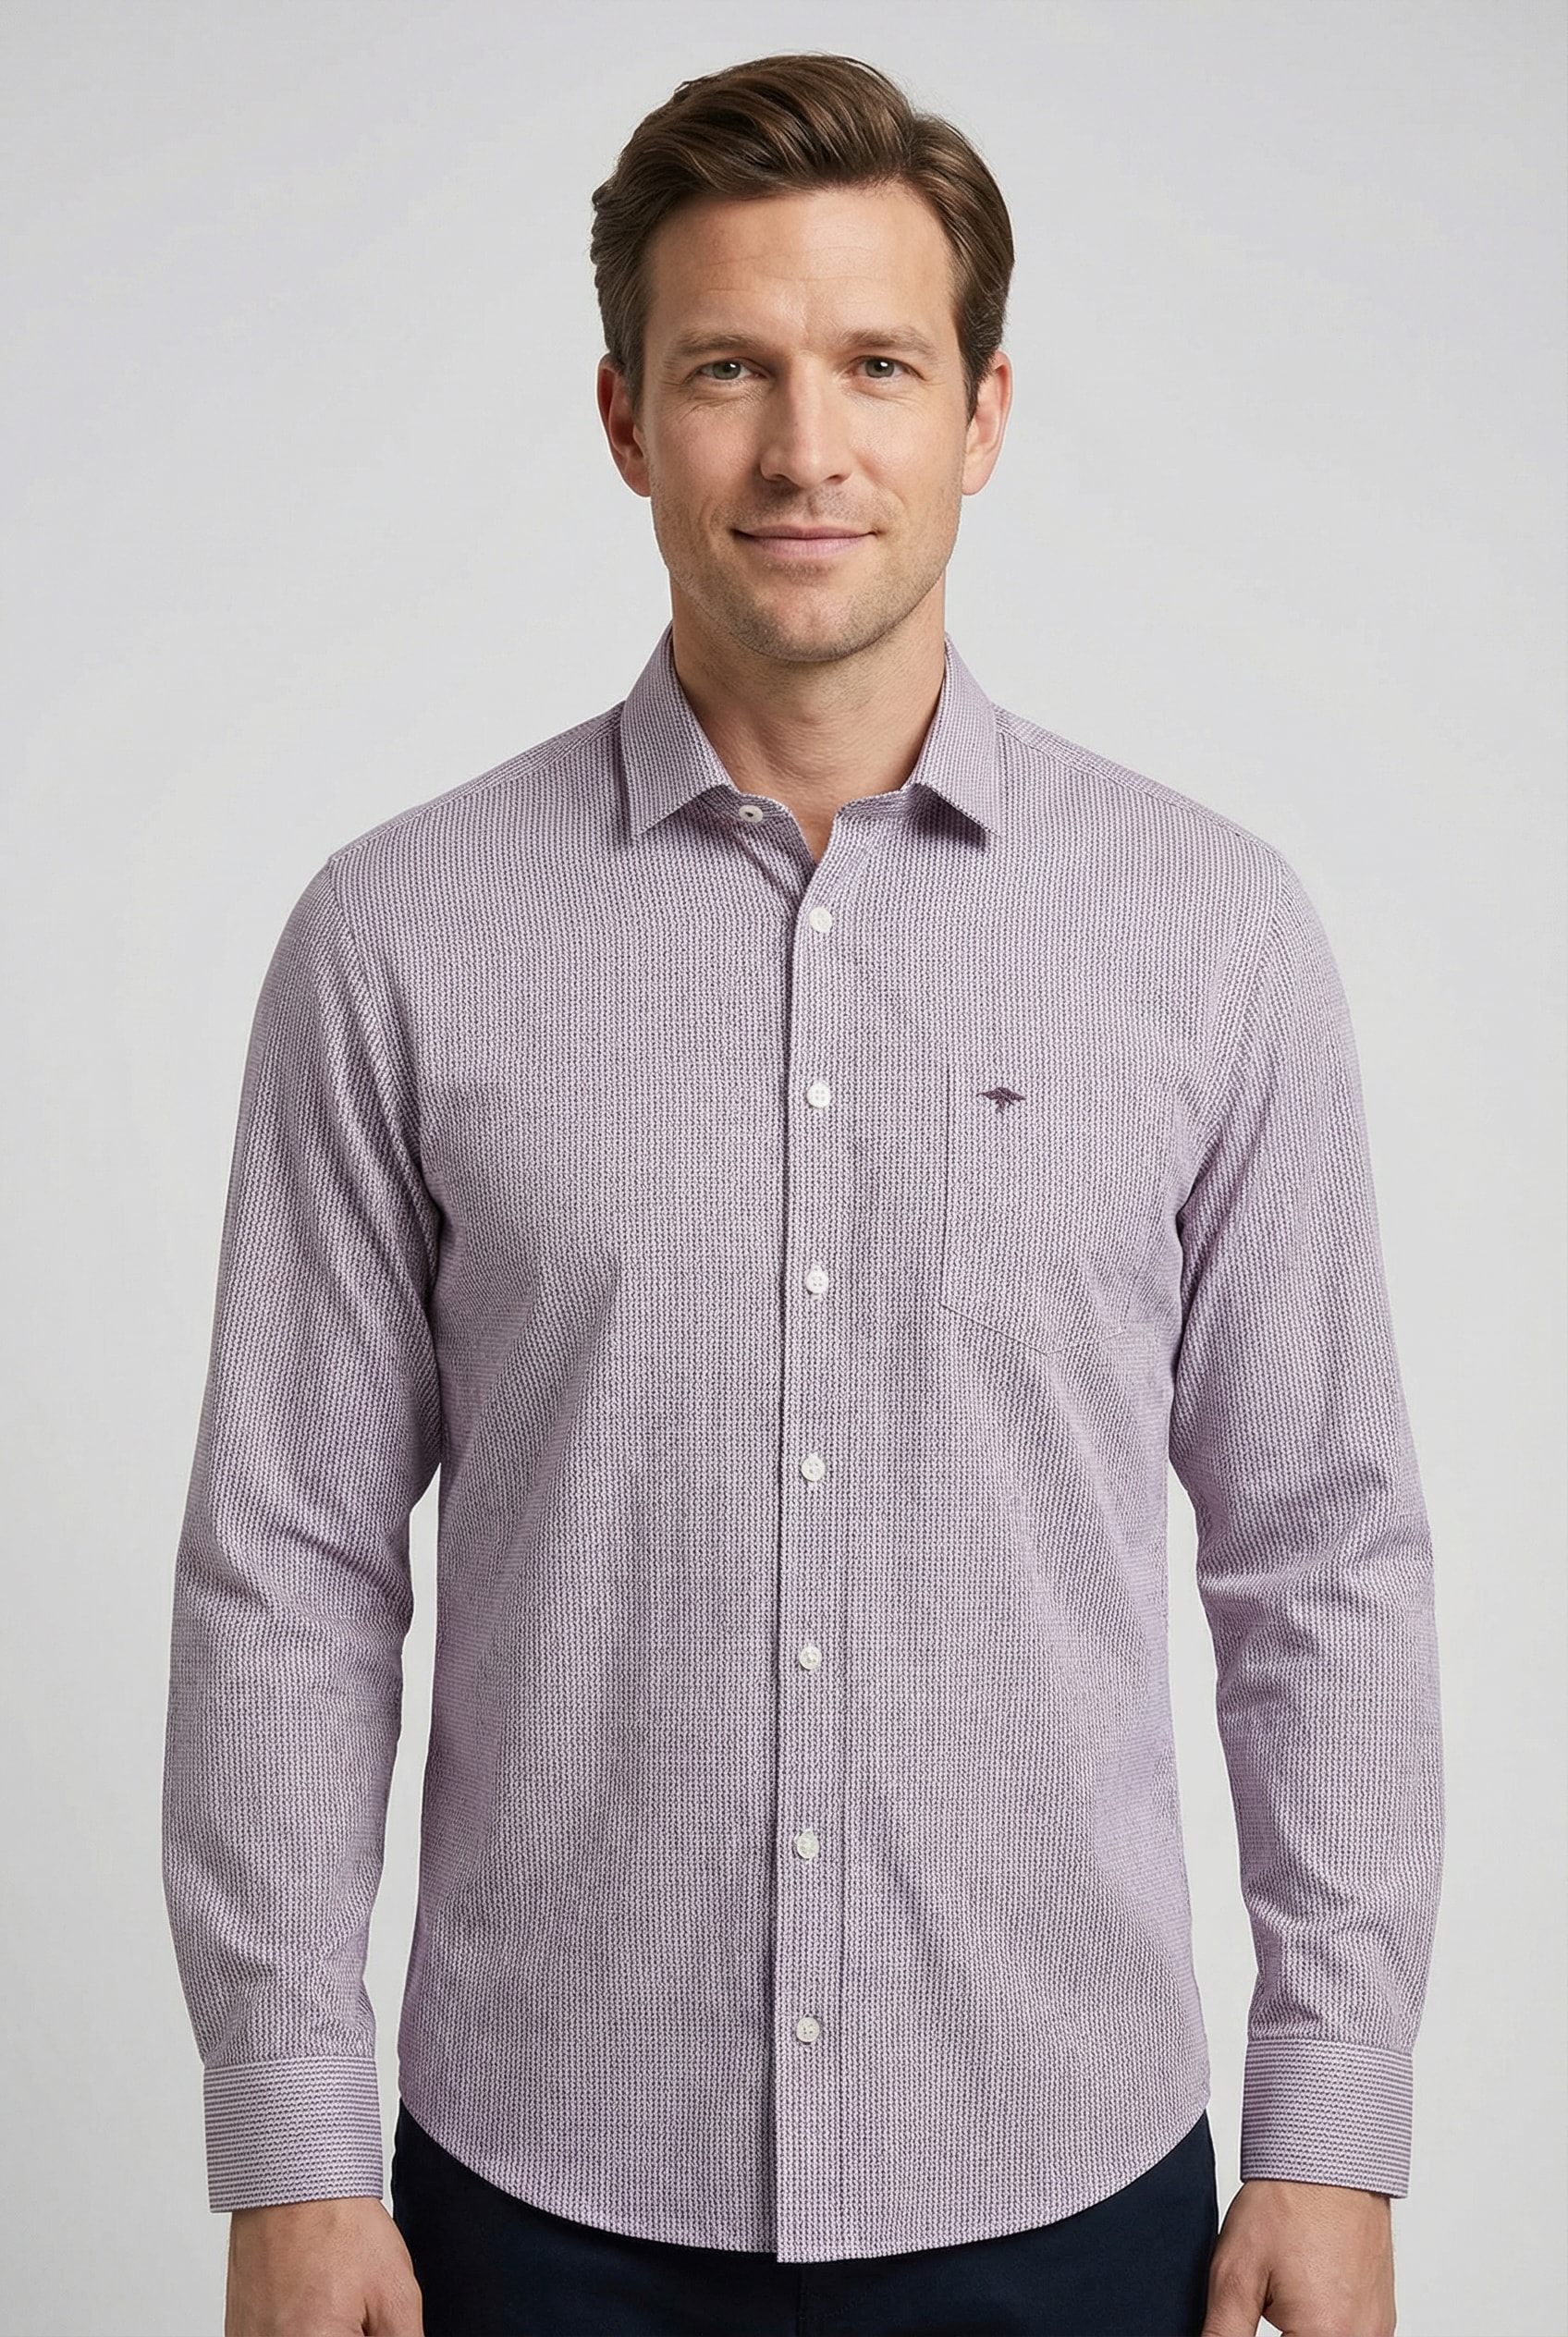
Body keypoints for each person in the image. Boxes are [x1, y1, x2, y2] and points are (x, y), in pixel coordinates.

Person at [162, 51, 1444, 2337]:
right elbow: (290, 1565)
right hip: (535, 2200)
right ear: (622, 418)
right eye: (726, 369)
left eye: (875, 364)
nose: (803, 449)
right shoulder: (398, 940)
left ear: (981, 414)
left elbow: (1320, 1552)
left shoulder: (1208, 935)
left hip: (1065, 2182)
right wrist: (290, 2148)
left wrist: (1329, 2123)